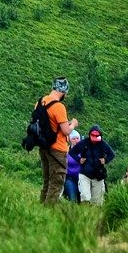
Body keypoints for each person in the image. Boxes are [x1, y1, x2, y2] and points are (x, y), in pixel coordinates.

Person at [37, 76, 77, 204]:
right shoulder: (59, 106)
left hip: (44, 146)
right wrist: (73, 124)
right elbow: (66, 131)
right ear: (63, 90)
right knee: (56, 183)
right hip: (57, 149)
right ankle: (47, 214)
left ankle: (39, 209)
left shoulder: (41, 101)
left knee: (47, 181)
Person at [72, 125, 116, 205]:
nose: (94, 139)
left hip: (98, 175)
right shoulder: (84, 142)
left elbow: (112, 154)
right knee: (85, 197)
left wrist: (105, 160)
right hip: (85, 173)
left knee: (97, 202)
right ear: (89, 135)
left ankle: (94, 216)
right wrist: (79, 160)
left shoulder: (102, 144)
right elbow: (72, 152)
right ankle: (84, 215)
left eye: (97, 136)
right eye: (93, 136)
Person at [64, 129, 83, 202]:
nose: (76, 140)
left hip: (82, 179)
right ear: (70, 140)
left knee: (82, 201)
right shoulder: (66, 150)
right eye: (73, 138)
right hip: (70, 178)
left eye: (77, 138)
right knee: (72, 199)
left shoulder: (84, 150)